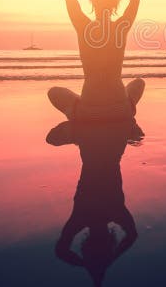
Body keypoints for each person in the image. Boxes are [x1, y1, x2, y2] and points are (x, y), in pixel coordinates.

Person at [46, 0, 145, 144]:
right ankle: (124, 115)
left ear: (92, 2)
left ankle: (76, 121)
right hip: (120, 111)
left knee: (54, 92)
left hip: (88, 111)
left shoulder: (84, 26)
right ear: (116, 4)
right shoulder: (120, 27)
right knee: (139, 83)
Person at [52, 119, 138, 286]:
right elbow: (61, 251)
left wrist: (109, 258)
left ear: (110, 242)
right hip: (98, 130)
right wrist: (88, 264)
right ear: (86, 246)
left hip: (104, 131)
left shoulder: (115, 212)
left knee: (130, 130)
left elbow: (132, 236)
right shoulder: (83, 218)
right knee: (131, 131)